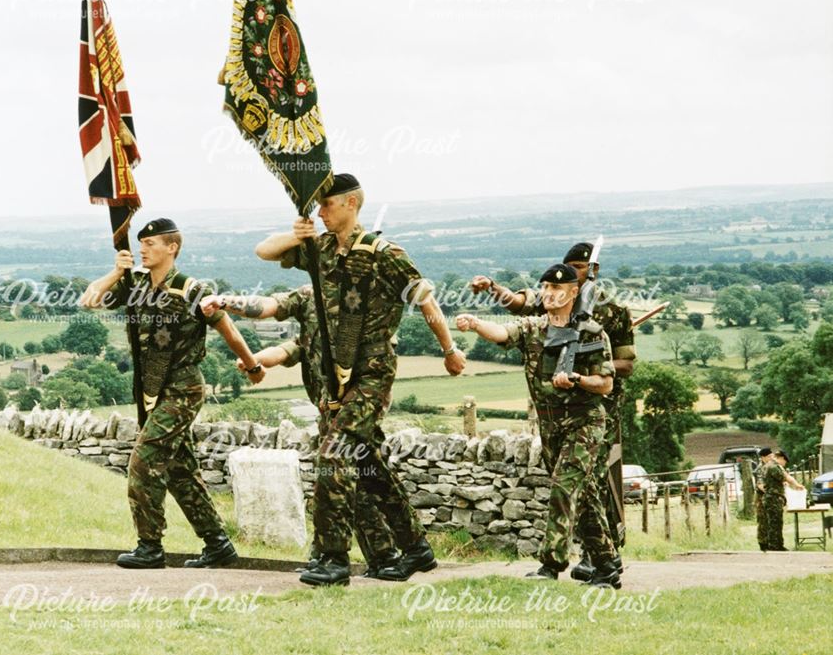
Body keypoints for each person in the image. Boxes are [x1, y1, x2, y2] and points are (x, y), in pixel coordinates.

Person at [255, 173, 466, 586]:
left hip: (370, 372)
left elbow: (424, 299)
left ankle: (332, 559)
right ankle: (416, 548)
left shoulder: (384, 253)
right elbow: (264, 251)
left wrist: (449, 350)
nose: (320, 213)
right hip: (330, 379)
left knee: (335, 454)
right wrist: (297, 234)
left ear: (351, 203)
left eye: (327, 205)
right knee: (367, 462)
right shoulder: (319, 249)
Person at [81, 217, 265, 569]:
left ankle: (149, 547)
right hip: (150, 389)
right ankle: (218, 545)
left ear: (172, 247)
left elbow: (228, 330)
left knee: (144, 462)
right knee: (180, 470)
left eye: (151, 244)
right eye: (141, 244)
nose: (143, 250)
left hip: (183, 387)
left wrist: (252, 365)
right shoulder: (133, 283)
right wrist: (116, 273)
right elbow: (90, 300)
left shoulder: (191, 288)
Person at [200, 286, 401, 577]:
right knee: (335, 487)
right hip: (330, 414)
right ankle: (334, 556)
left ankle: (385, 556)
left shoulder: (358, 316)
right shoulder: (310, 327)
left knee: (359, 486)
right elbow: (284, 352)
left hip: (356, 412)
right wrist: (253, 360)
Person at [471, 242, 634, 580]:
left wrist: (577, 380)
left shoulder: (593, 333)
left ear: (573, 293)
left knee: (564, 487)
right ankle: (606, 564)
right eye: (545, 287)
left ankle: (551, 563)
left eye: (556, 288)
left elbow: (606, 384)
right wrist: (475, 324)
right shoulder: (534, 328)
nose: (548, 293)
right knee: (585, 495)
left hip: (585, 422)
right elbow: (503, 331)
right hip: (551, 425)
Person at [761, 449, 806, 551]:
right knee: (775, 523)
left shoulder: (767, 466)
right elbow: (786, 477)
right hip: (773, 498)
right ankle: (775, 546)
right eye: (785, 462)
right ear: (781, 458)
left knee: (775, 523)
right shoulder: (774, 466)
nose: (784, 465)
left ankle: (777, 545)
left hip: (771, 497)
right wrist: (798, 485)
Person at [754, 447, 774, 551]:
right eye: (769, 456)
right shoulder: (760, 469)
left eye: (772, 456)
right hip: (761, 497)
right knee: (763, 521)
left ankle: (771, 543)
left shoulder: (771, 467)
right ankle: (763, 544)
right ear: (763, 458)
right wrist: (769, 492)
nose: (771, 458)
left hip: (770, 496)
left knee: (770, 520)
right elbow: (760, 485)